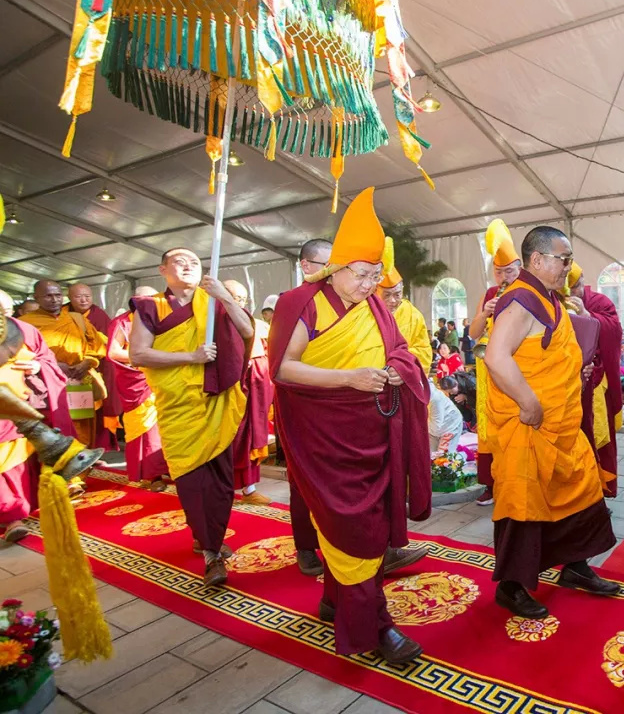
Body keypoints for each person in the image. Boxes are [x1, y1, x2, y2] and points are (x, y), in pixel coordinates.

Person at [270, 187, 430, 663]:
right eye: (362, 275)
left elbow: (400, 349)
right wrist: (349, 378)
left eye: (376, 275)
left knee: (369, 524)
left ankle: (334, 600)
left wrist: (399, 369)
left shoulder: (374, 305)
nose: (370, 285)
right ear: (335, 268)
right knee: (353, 527)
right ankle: (375, 627)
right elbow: (281, 368)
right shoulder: (300, 302)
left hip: (373, 433)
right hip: (324, 436)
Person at [485, 225, 618, 619]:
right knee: (525, 503)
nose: (568, 267)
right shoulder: (522, 299)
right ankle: (511, 587)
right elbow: (496, 356)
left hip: (560, 421)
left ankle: (575, 566)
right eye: (564, 259)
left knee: (581, 487)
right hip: (530, 423)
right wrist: (528, 403)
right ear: (538, 260)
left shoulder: (548, 297)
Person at [129, 249, 253, 586]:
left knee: (221, 481)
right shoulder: (151, 306)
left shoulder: (212, 300)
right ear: (162, 269)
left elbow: (246, 332)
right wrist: (191, 356)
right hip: (180, 405)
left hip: (217, 402)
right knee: (193, 480)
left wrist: (225, 296)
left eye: (195, 263)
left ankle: (207, 535)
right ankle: (212, 552)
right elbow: (138, 353)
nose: (188, 267)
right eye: (179, 262)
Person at [0, 314, 75, 542]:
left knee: (18, 462)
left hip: (19, 402)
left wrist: (37, 366)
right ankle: (11, 516)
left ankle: (18, 511)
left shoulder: (24, 329)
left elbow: (47, 359)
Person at [285, 239, 333, 576]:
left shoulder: (344, 301)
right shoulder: (294, 303)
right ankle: (305, 545)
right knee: (303, 480)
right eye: (325, 264)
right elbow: (284, 363)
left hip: (343, 406)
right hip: (303, 404)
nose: (332, 272)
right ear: (306, 265)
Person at [469, 219, 522, 506]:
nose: (504, 277)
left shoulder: (527, 292)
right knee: (489, 425)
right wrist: (484, 314)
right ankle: (491, 483)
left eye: (509, 271)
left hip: (517, 369)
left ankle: (515, 480)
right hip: (489, 371)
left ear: (520, 268)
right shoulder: (490, 294)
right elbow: (473, 334)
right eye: (499, 272)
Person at [20, 280, 108, 452]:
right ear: (36, 297)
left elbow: (96, 346)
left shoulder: (77, 319)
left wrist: (88, 361)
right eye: (48, 296)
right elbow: (21, 353)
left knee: (82, 422)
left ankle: (82, 459)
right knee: (54, 421)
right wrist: (51, 365)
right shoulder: (25, 323)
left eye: (58, 295)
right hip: (46, 382)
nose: (54, 300)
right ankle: (58, 463)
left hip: (79, 378)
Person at [565, 262, 621, 496]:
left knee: (597, 435)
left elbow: (614, 331)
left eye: (579, 284)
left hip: (596, 380)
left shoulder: (599, 302)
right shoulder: (554, 304)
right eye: (572, 286)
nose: (578, 291)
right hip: (567, 383)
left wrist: (586, 315)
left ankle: (599, 490)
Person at [106, 287, 169, 490]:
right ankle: (152, 474)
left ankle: (169, 467)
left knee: (167, 425)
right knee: (147, 430)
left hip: (164, 377)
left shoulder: (164, 319)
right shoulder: (123, 322)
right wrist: (144, 357)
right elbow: (114, 352)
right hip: (138, 381)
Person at [223, 280, 272, 506]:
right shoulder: (215, 323)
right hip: (230, 392)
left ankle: (249, 488)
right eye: (234, 298)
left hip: (255, 390)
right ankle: (223, 489)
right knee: (230, 440)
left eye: (243, 299)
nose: (239, 303)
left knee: (251, 438)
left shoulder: (257, 324)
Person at [66, 283, 120, 451]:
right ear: (69, 297)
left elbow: (107, 344)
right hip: (67, 370)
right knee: (70, 412)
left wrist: (89, 359)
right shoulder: (61, 315)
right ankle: (72, 446)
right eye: (78, 297)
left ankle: (95, 446)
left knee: (92, 410)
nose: (83, 300)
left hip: (93, 370)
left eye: (87, 297)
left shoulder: (99, 316)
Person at [377, 267, 433, 373]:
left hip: (403, 375)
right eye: (387, 295)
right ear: (376, 291)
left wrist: (399, 363)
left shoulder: (413, 315)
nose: (392, 300)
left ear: (402, 289)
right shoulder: (367, 312)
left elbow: (424, 352)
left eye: (397, 294)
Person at [428, 380, 464, 454]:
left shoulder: (435, 398)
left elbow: (436, 424)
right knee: (430, 456)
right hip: (432, 427)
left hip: (450, 425)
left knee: (444, 459)